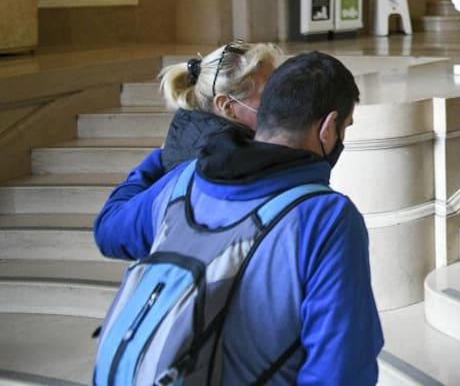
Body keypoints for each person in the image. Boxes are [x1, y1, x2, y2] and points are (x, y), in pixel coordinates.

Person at [93, 51, 383, 384]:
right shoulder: (325, 217)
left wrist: (158, 159)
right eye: (345, 126)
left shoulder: (185, 179)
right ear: (328, 128)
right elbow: (341, 370)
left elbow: (110, 232)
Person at [159, 41, 284, 170]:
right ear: (226, 106)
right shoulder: (225, 161)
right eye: (268, 92)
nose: (281, 97)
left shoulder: (192, 132)